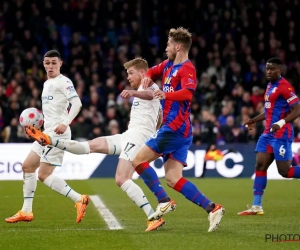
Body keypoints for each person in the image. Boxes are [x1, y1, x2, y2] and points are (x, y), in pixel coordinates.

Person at [25, 58, 165, 232]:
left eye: (131, 73)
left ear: (142, 72)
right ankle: (50, 140)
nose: (128, 77)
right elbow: (160, 116)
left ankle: (153, 216)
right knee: (89, 146)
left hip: (137, 138)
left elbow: (152, 95)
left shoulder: (148, 85)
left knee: (122, 178)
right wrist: (155, 130)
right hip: (128, 136)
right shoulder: (142, 88)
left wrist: (133, 94)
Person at [129, 27, 225, 232]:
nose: (166, 48)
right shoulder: (167, 65)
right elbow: (153, 70)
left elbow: (187, 94)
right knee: (173, 179)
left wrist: (166, 94)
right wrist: (147, 77)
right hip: (181, 131)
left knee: (137, 160)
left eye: (168, 45)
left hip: (175, 127)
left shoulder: (187, 69)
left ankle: (163, 201)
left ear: (178, 46)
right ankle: (212, 208)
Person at [5, 50, 89, 223]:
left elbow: (77, 103)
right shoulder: (46, 83)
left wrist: (65, 122)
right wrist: (37, 130)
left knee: (44, 174)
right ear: (43, 64)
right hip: (46, 132)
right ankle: (26, 211)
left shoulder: (64, 82)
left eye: (53, 63)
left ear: (60, 64)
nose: (50, 66)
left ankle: (79, 199)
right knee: (27, 167)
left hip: (59, 133)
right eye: (47, 63)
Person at [238, 57, 300, 215]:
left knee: (285, 172)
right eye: (267, 69)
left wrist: (281, 123)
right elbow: (268, 111)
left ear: (280, 70)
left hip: (281, 134)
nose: (269, 71)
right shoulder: (270, 86)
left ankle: (257, 206)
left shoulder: (285, 87)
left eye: (272, 69)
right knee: (260, 165)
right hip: (267, 134)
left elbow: (297, 110)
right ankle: (256, 206)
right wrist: (254, 120)